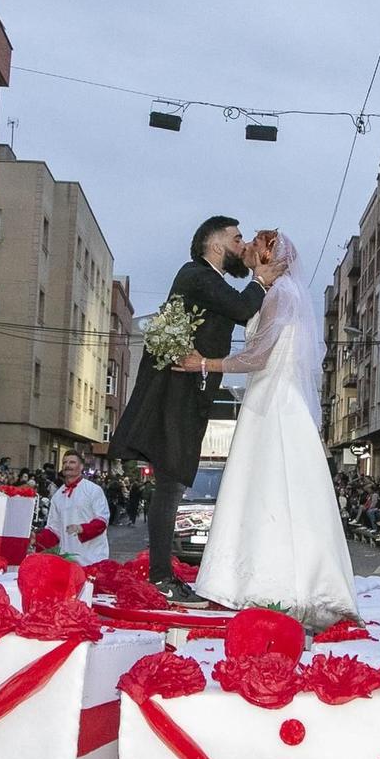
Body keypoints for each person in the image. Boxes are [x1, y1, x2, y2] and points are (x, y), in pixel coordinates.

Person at [180, 231, 355, 627]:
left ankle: (271, 585)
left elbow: (257, 356)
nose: (246, 248)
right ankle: (282, 581)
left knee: (267, 488)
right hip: (274, 398)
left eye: (253, 241)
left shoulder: (279, 295)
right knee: (272, 491)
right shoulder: (284, 294)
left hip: (273, 400)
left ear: (268, 252)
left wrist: (204, 364)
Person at [113, 216, 276, 607]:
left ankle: (162, 574)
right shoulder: (196, 275)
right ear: (216, 243)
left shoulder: (208, 282)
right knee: (170, 483)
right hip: (172, 395)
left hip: (188, 395)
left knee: (173, 481)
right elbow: (240, 308)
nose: (242, 245)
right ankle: (161, 577)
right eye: (237, 238)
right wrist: (260, 279)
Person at [39, 452, 111, 567]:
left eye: (72, 462)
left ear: (81, 467)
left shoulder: (93, 490)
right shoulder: (58, 496)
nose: (67, 465)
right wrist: (37, 541)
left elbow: (102, 521)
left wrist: (82, 528)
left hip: (93, 558)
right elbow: (53, 529)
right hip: (67, 560)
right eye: (65, 462)